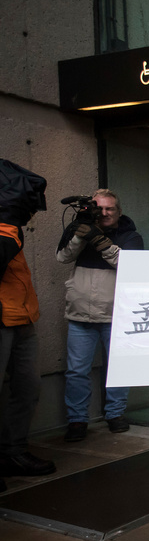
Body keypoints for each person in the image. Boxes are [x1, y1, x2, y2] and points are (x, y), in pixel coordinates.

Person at [56, 189, 143, 442]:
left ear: (119, 211)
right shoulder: (79, 232)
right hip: (80, 314)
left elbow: (130, 266)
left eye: (109, 209)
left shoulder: (130, 236)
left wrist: (101, 242)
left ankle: (115, 414)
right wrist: (80, 237)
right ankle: (77, 420)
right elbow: (62, 257)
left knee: (117, 368)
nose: (104, 213)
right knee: (76, 372)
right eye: (99, 208)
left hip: (116, 315)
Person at [0, 159, 54, 488]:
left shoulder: (10, 228)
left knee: (27, 388)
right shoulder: (6, 230)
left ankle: (13, 451)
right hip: (1, 320)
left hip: (23, 318)